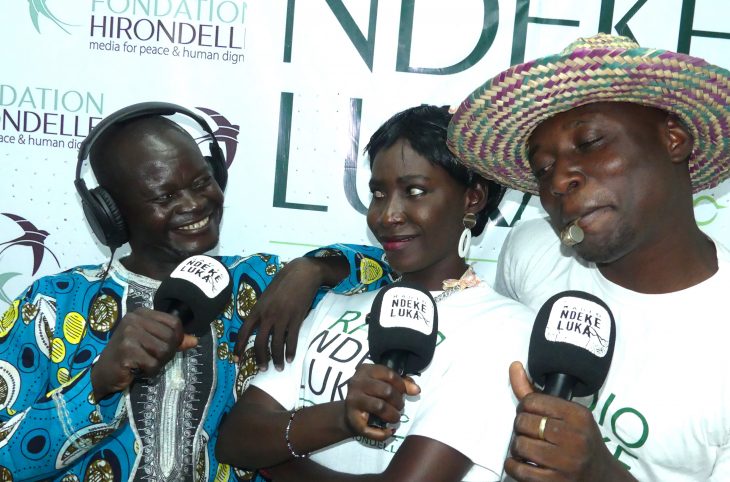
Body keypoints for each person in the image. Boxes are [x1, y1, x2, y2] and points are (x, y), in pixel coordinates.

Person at [0, 103, 389, 481]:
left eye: (202, 181)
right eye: (164, 197)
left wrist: (314, 268)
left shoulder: (259, 281)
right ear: (111, 214)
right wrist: (96, 383)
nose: (194, 204)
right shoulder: (51, 304)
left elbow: (403, 262)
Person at [447, 33, 730, 481]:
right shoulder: (532, 251)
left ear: (674, 139)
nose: (559, 180)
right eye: (543, 168)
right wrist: (331, 265)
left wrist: (601, 474)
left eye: (591, 141)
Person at [216, 105, 535, 481]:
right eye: (379, 193)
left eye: (414, 191)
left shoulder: (506, 328)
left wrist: (277, 462)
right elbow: (236, 441)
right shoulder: (338, 301)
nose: (387, 215)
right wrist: (340, 417)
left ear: (473, 198)